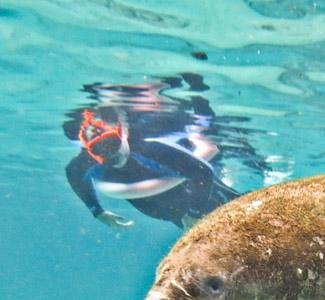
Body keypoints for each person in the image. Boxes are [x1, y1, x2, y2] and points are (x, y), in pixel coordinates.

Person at [64, 74, 250, 229]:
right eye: (99, 150)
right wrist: (97, 211)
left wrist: (194, 213)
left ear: (122, 134)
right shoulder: (83, 162)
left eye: (112, 143)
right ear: (89, 149)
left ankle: (196, 83)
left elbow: (202, 172)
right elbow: (74, 176)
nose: (109, 153)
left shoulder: (150, 149)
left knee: (245, 216)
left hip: (203, 200)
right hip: (177, 215)